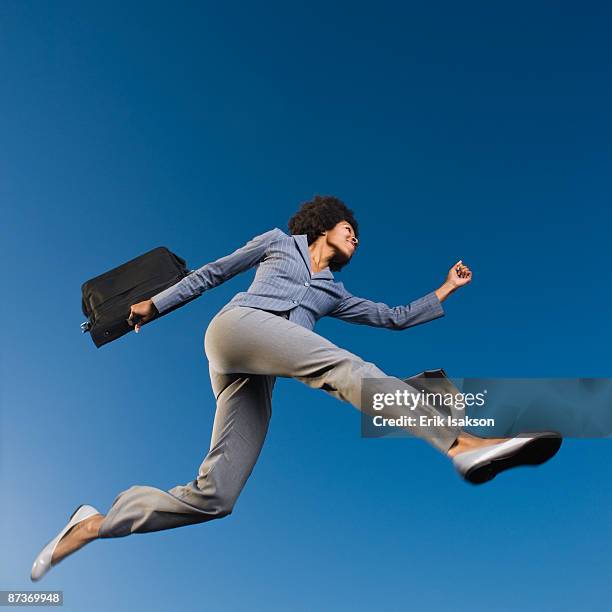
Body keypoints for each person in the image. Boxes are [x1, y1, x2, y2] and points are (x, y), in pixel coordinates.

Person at [31, 195, 561, 581]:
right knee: (345, 369)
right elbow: (212, 274)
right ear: (324, 225)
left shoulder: (334, 292)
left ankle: (94, 525)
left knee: (218, 495)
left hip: (259, 368)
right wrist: (157, 302)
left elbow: (394, 317)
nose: (355, 236)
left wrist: (446, 287)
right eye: (349, 228)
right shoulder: (277, 243)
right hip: (237, 329)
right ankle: (462, 445)